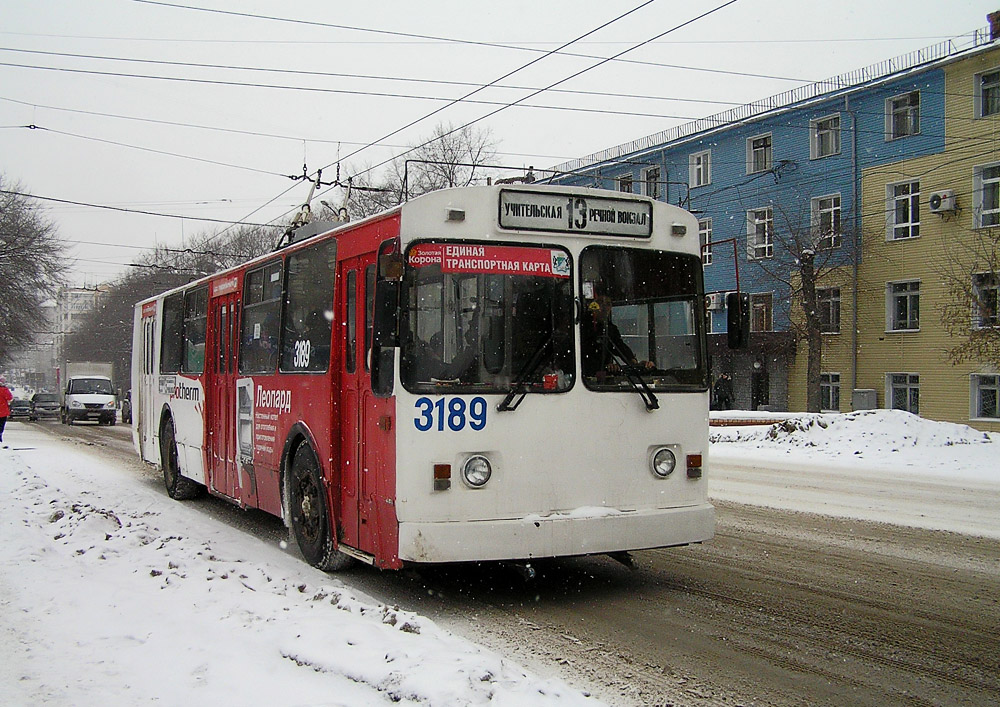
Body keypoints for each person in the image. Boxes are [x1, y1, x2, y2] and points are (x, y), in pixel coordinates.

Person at [581, 294, 654, 379]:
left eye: (608, 304)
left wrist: (635, 363)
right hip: (584, 376)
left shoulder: (610, 329)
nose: (604, 308)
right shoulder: (581, 327)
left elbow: (619, 347)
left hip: (600, 378)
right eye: (600, 303)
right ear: (592, 305)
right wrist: (605, 367)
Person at [0, 375, 13, 447]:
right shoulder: (4, 390)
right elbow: (9, 397)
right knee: (1, 426)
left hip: (2, 410)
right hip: (2, 411)